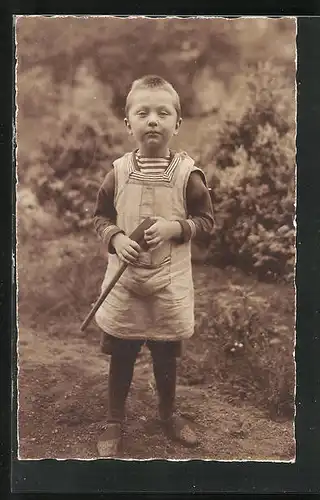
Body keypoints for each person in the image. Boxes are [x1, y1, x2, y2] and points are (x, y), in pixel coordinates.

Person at [93, 75, 215, 457]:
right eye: (142, 112)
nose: (153, 121)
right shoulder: (117, 173)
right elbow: (100, 218)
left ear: (177, 124)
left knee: (165, 353)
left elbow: (206, 222)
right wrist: (115, 238)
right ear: (128, 123)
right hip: (126, 282)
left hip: (168, 283)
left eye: (163, 113)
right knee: (123, 353)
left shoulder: (188, 176)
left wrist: (175, 227)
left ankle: (167, 414)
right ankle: (115, 420)